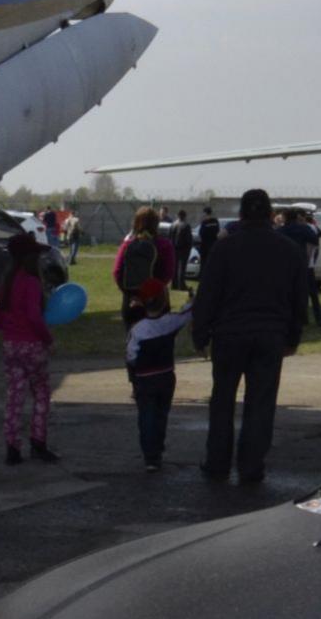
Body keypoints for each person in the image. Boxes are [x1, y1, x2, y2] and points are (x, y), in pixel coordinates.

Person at [188, 187, 307, 486]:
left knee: (222, 400)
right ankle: (251, 465)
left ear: (241, 215)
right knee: (261, 403)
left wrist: (200, 335)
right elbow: (298, 299)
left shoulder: (225, 248)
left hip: (229, 334)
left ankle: (217, 462)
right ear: (271, 215)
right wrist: (293, 337)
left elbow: (208, 294)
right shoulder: (289, 249)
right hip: (270, 334)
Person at [0, 230, 58, 466]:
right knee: (41, 392)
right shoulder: (31, 282)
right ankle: (38, 442)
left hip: (10, 345)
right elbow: (34, 315)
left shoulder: (7, 282)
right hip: (31, 345)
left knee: (15, 395)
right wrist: (48, 339)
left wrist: (7, 330)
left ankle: (12, 447)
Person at [123, 276, 191, 471]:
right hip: (166, 376)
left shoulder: (138, 329)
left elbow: (130, 354)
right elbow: (186, 315)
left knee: (146, 416)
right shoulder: (170, 322)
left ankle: (150, 456)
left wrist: (135, 369)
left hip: (144, 379)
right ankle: (158, 448)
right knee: (162, 415)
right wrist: (192, 301)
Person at [111, 205, 164, 315]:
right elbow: (168, 273)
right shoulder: (164, 245)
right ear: (156, 223)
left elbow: (117, 271)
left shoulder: (127, 244)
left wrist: (128, 293)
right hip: (155, 299)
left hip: (131, 297)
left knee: (132, 325)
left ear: (136, 222)